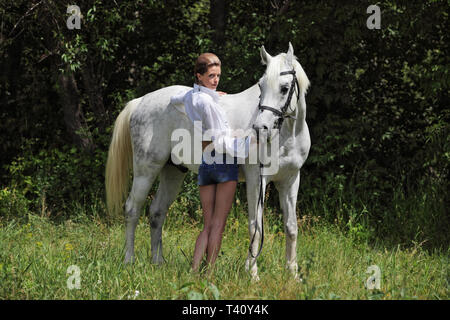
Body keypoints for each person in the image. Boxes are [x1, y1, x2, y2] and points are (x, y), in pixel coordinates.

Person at [170, 53, 255, 273]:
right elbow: (221, 140)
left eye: (217, 76)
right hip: (224, 162)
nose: (216, 80)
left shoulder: (192, 97)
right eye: (211, 76)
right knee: (218, 225)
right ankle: (209, 273)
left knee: (207, 225)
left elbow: (174, 99)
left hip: (206, 164)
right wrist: (249, 143)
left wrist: (208, 91)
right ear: (199, 75)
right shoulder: (208, 104)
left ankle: (193, 270)